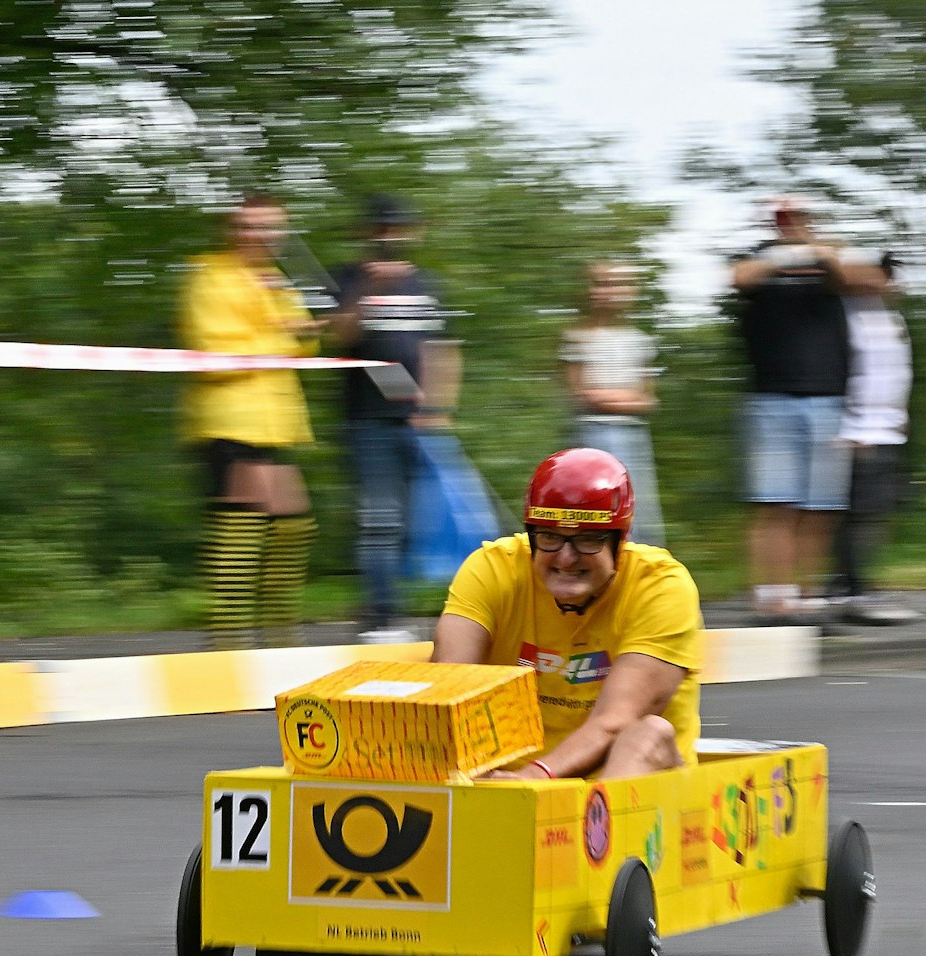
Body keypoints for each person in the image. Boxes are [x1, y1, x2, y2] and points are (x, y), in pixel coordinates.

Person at [433, 448, 700, 781]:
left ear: (620, 542)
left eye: (588, 540)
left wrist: (535, 778)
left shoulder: (661, 587)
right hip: (508, 779)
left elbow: (615, 722)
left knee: (649, 733)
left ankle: (597, 829)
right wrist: (484, 780)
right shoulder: (491, 570)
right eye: (549, 538)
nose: (566, 558)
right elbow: (447, 688)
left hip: (609, 779)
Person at [730, 196, 885, 620]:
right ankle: (771, 595)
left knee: (821, 508)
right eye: (783, 218)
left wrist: (817, 249)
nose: (791, 223)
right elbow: (740, 277)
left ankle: (807, 595)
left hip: (829, 398)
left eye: (798, 217)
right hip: (771, 398)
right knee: (774, 503)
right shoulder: (757, 256)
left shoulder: (831, 258)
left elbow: (868, 280)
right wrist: (787, 253)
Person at [177, 193, 320, 649]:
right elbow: (214, 348)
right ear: (233, 230)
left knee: (294, 524)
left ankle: (279, 634)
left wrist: (296, 334)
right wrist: (282, 335)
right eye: (252, 225)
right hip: (229, 418)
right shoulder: (208, 275)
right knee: (243, 522)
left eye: (271, 226)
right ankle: (229, 637)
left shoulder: (276, 280)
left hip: (275, 420)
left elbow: (303, 345)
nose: (262, 235)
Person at [329, 195, 461, 645]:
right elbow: (336, 337)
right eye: (380, 227)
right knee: (378, 520)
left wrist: (438, 406)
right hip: (367, 418)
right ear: (368, 231)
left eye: (396, 227)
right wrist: (363, 290)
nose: (388, 235)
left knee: (411, 524)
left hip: (417, 420)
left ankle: (384, 607)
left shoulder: (426, 283)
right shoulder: (347, 277)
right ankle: (381, 619)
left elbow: (441, 349)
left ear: (411, 231)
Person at [831, 250, 921, 625]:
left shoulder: (891, 317)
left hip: (888, 429)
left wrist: (901, 415)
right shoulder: (844, 315)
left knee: (876, 513)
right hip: (857, 431)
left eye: (886, 274)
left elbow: (893, 373)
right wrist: (849, 426)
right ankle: (851, 592)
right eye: (877, 273)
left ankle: (854, 587)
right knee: (856, 516)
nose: (884, 280)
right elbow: (842, 373)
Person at [564, 261, 665, 546]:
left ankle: (640, 568)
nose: (609, 292)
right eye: (601, 284)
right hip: (592, 434)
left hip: (632, 434)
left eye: (618, 284)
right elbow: (582, 395)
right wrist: (624, 398)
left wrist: (610, 398)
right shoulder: (578, 338)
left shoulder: (639, 341)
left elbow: (648, 400)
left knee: (639, 505)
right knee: (595, 504)